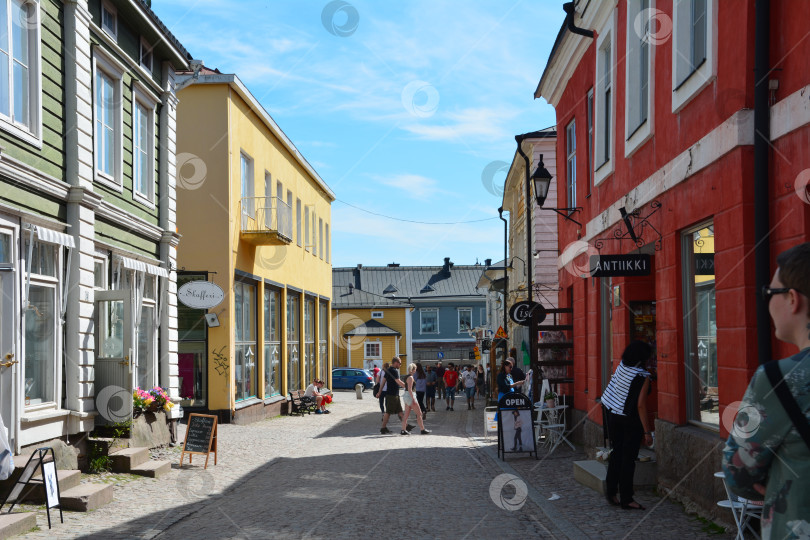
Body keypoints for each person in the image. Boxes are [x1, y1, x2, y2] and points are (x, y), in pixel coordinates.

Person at [722, 242, 810, 539]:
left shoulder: (777, 379)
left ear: (793, 300)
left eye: (768, 294)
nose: (766, 302)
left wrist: (775, 479)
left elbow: (737, 472)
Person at [600, 341, 653, 510]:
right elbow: (641, 405)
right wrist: (647, 432)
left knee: (616, 454)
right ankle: (627, 498)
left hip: (612, 414)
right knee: (628, 460)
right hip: (629, 420)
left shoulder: (622, 366)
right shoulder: (642, 377)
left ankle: (611, 492)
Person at [376, 357, 413, 434]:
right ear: (395, 362)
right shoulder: (394, 371)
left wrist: (379, 392)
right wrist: (408, 388)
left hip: (392, 394)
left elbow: (383, 382)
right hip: (392, 395)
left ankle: (406, 426)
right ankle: (383, 428)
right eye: (400, 363)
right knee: (388, 412)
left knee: (399, 411)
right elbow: (398, 381)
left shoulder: (388, 370)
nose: (400, 365)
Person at [400, 363, 430, 435]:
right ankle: (422, 429)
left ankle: (403, 430)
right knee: (419, 413)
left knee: (406, 415)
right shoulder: (410, 377)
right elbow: (410, 389)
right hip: (410, 396)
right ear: (413, 370)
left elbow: (406, 388)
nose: (416, 370)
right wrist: (413, 399)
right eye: (415, 369)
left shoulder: (406, 376)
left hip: (406, 396)